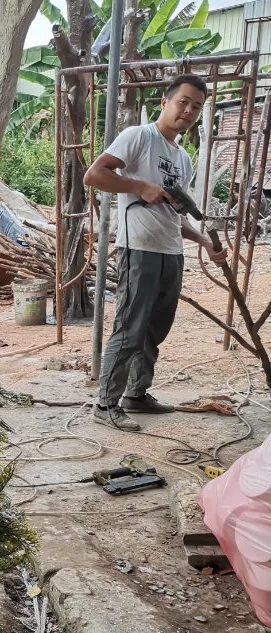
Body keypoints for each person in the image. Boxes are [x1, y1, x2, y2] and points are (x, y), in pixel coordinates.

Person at [83, 73, 229, 432]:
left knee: (154, 330)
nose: (189, 110)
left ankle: (137, 394)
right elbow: (94, 175)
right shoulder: (139, 136)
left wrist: (205, 242)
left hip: (170, 250)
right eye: (183, 101)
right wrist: (138, 186)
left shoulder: (183, 159)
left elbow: (173, 215)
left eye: (197, 106)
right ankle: (105, 402)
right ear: (164, 102)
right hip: (139, 248)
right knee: (130, 327)